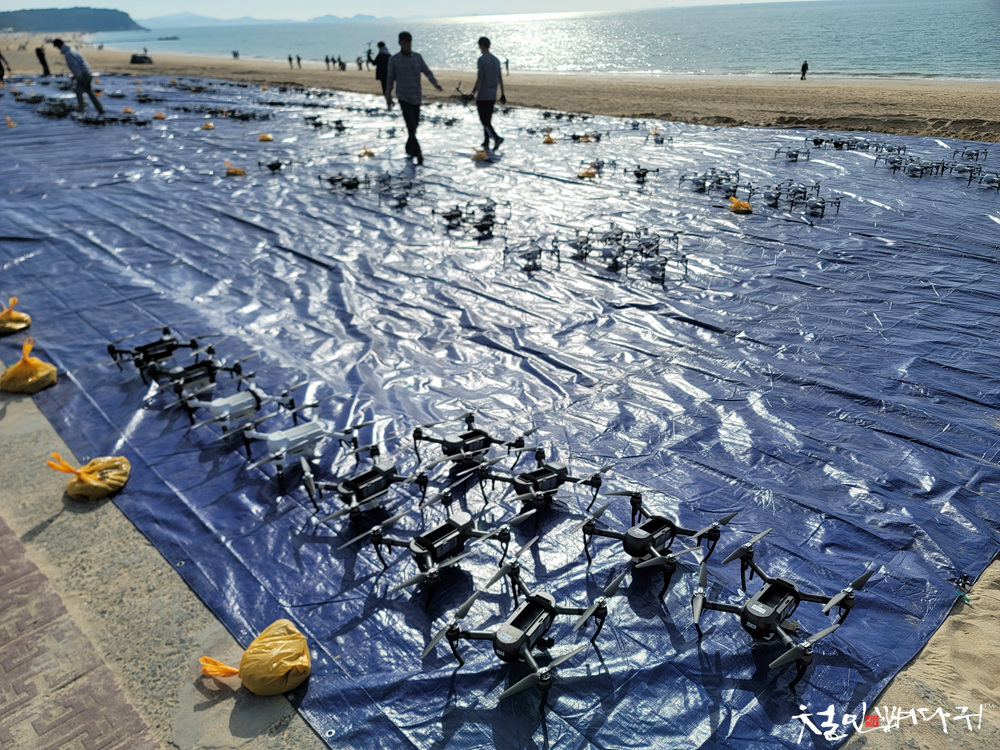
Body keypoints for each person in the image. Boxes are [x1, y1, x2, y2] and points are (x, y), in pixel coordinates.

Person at [385, 31, 442, 165]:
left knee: (414, 127)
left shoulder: (417, 58)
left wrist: (435, 84)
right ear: (400, 43)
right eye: (404, 43)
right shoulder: (394, 60)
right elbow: (390, 79)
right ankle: (418, 153)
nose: (407, 46)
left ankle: (409, 149)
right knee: (411, 127)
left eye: (409, 43)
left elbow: (427, 72)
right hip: (403, 97)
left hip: (416, 97)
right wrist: (388, 96)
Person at [470, 36, 505, 151]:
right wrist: (503, 93)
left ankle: (496, 138)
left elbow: (480, 79)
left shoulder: (481, 60)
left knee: (484, 120)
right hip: (493, 94)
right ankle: (486, 141)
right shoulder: (496, 60)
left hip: (483, 94)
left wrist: (472, 93)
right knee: (488, 119)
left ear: (481, 46)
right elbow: (500, 78)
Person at [52, 39, 103, 114]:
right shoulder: (71, 49)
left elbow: (75, 66)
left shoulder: (68, 53)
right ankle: (100, 110)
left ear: (59, 45)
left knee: (79, 91)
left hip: (83, 75)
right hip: (87, 73)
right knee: (90, 92)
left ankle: (81, 111)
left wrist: (79, 77)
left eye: (57, 46)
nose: (57, 48)